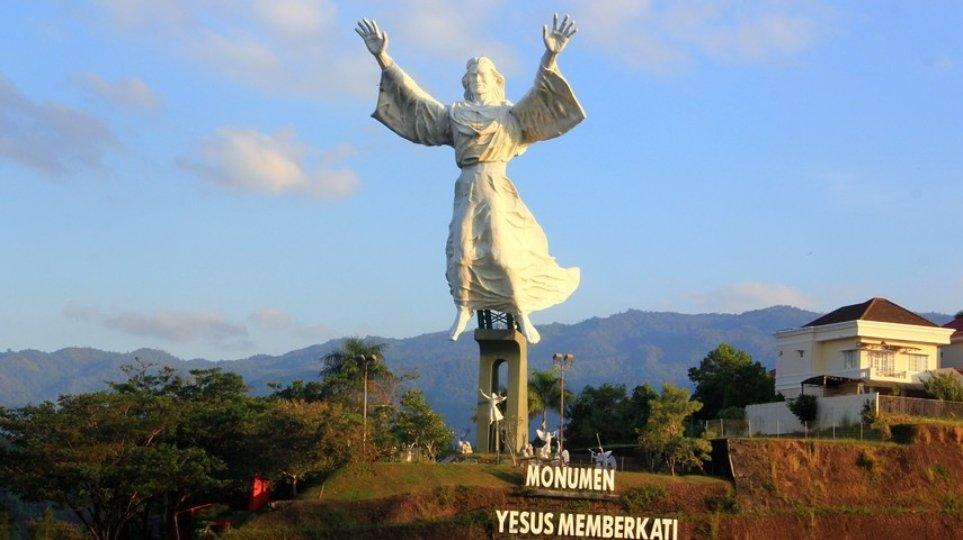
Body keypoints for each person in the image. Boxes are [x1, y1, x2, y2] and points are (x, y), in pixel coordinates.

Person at [356, 15, 584, 344]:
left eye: (483, 74)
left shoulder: (510, 116)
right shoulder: (455, 115)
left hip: (495, 189)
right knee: (462, 254)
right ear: (466, 81)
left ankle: (522, 312)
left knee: (504, 255)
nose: (477, 79)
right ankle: (463, 309)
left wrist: (551, 56)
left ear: (494, 80)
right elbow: (415, 100)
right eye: (472, 74)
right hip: (467, 188)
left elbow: (541, 94)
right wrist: (382, 57)